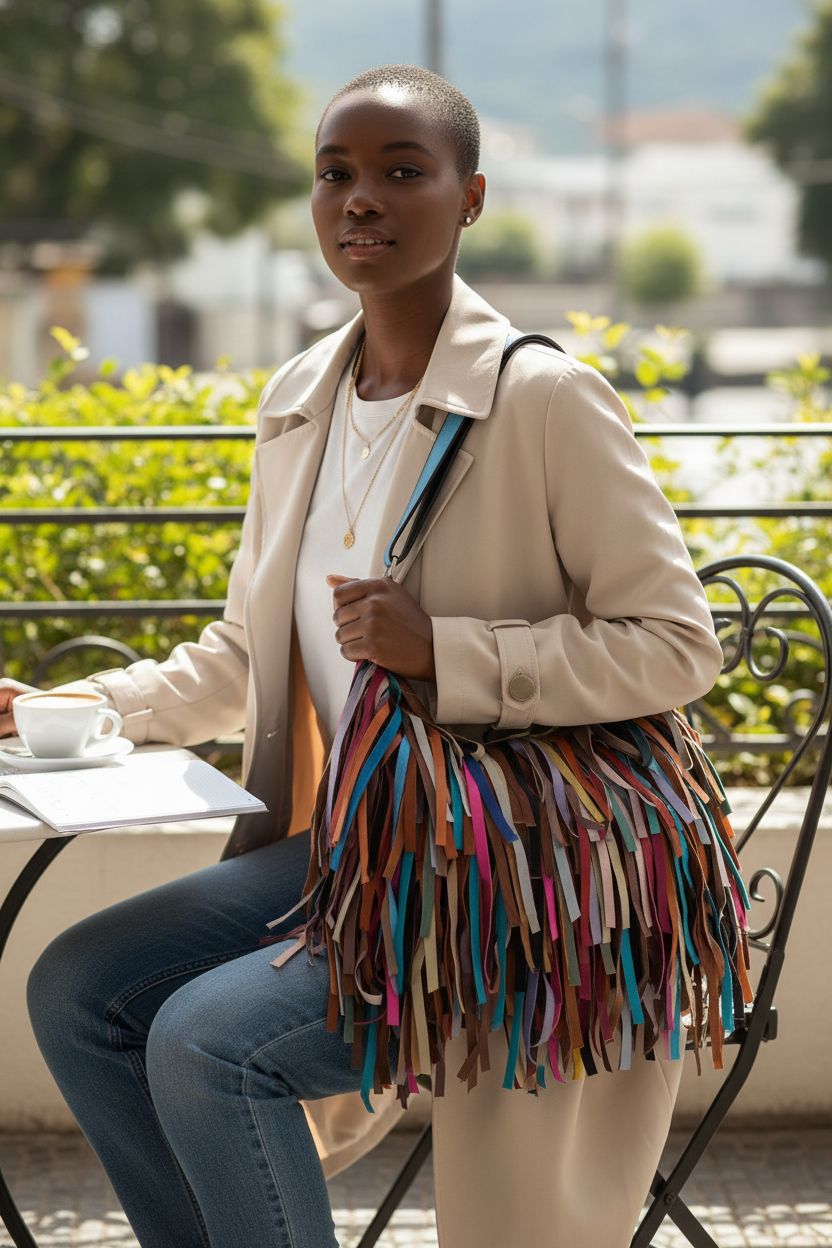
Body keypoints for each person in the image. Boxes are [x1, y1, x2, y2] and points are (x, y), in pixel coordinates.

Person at [3, 65, 727, 1248]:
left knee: (205, 1041)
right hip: (364, 846)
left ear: (471, 197)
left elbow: (676, 646)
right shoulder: (301, 400)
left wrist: (448, 652)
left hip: (511, 874)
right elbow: (246, 652)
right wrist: (72, 707)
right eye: (337, 174)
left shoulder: (542, 398)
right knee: (78, 989)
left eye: (403, 173)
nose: (361, 202)